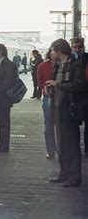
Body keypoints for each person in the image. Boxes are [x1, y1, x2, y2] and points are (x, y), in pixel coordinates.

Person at [46, 39, 85, 187]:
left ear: (59, 51)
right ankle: (64, 173)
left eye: (52, 51)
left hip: (70, 109)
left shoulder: (76, 65)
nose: (51, 53)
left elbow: (78, 86)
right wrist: (51, 89)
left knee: (72, 144)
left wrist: (58, 84)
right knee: (61, 143)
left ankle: (74, 177)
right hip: (57, 108)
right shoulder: (57, 66)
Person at [37, 49, 57, 159]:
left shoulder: (65, 65)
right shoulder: (43, 66)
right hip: (48, 98)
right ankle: (50, 150)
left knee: (62, 126)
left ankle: (60, 149)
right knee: (48, 125)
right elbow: (39, 81)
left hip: (62, 99)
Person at [71, 37, 88, 158]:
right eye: (75, 47)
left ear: (83, 46)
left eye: (79, 47)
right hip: (74, 97)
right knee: (72, 126)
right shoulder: (69, 60)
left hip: (86, 96)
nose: (77, 49)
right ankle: (74, 149)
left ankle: (87, 149)